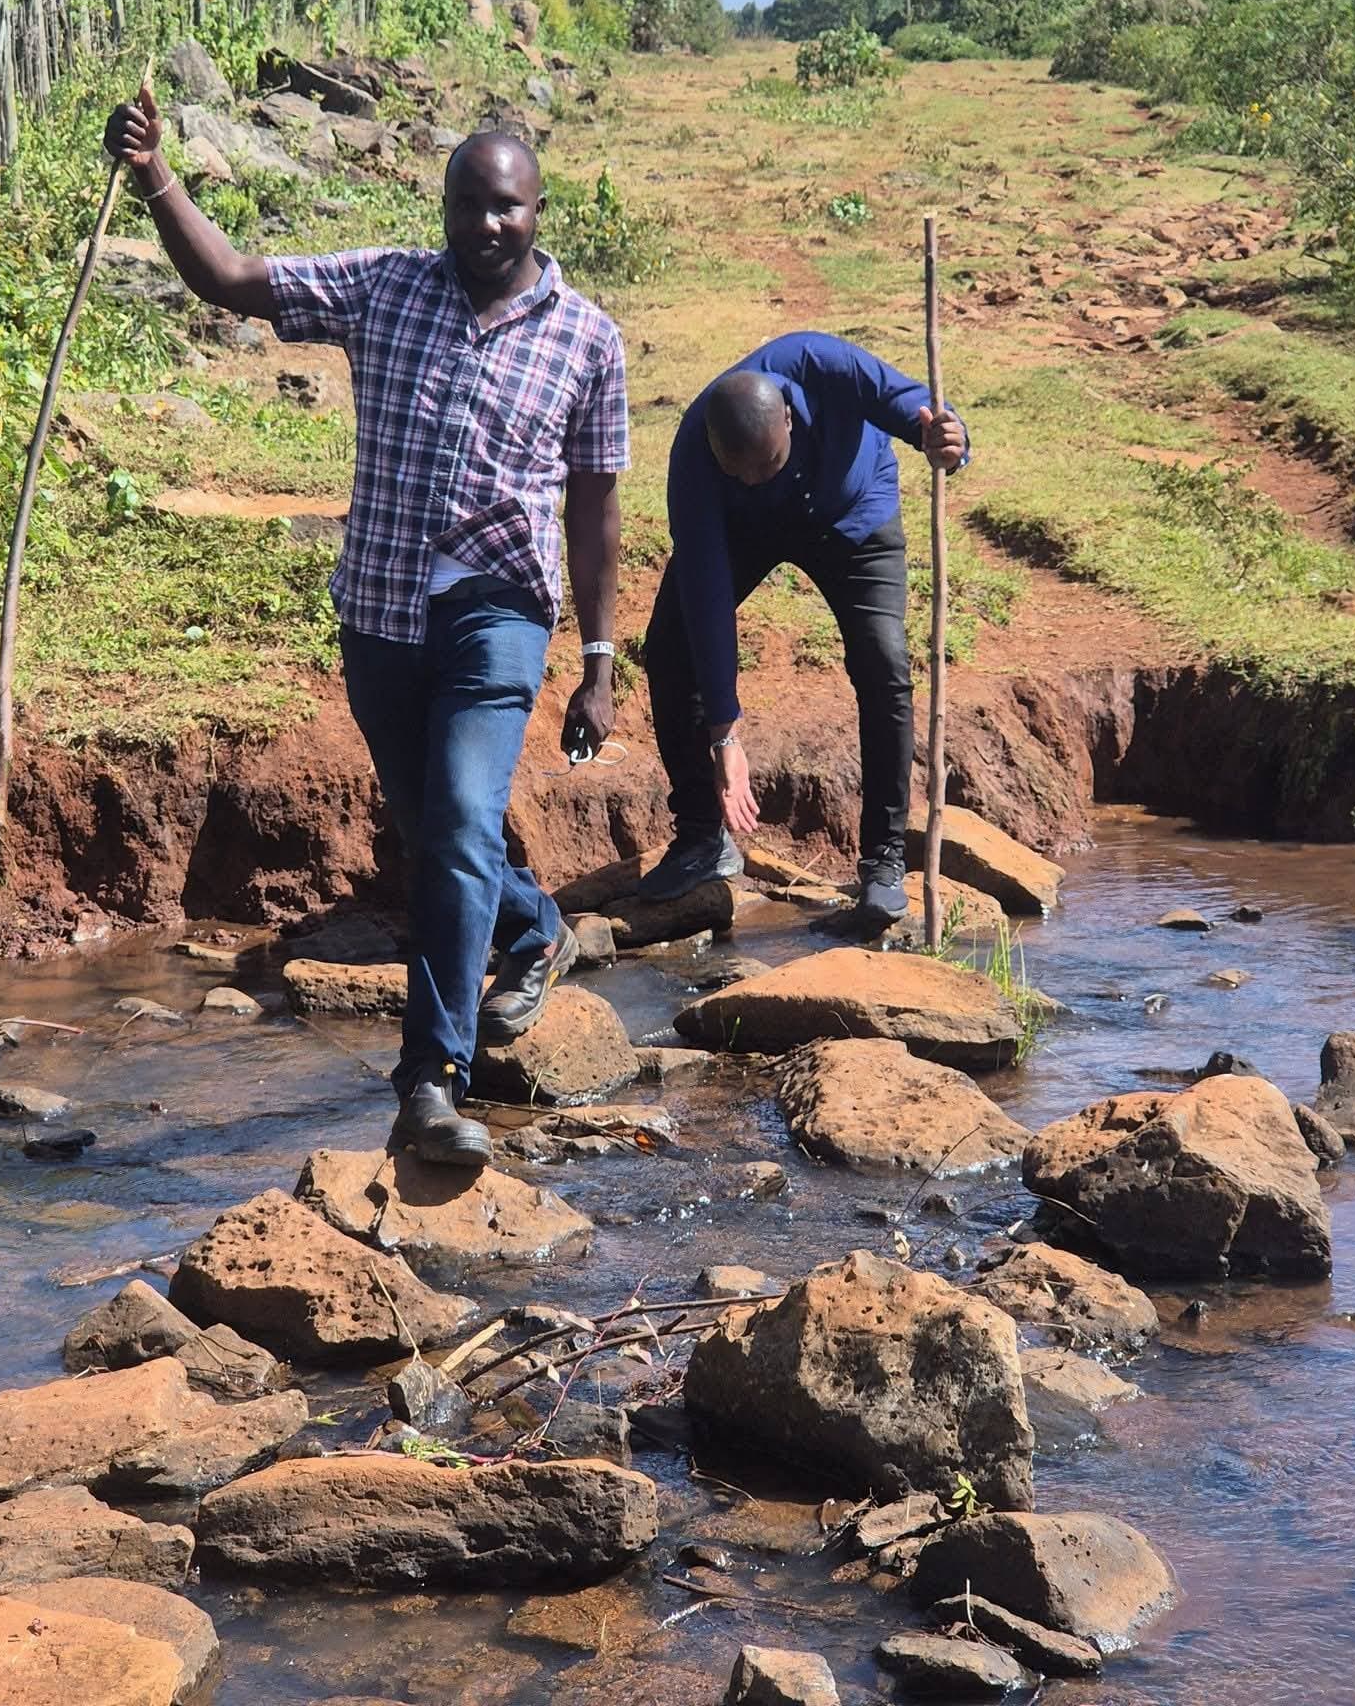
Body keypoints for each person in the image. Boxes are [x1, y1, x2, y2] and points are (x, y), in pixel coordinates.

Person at [103, 86, 628, 1167]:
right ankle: (535, 926)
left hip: (501, 611)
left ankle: (427, 1082)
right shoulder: (388, 286)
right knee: (442, 830)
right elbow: (236, 280)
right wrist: (158, 176)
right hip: (382, 613)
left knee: (461, 818)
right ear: (443, 208)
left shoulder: (587, 339)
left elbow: (596, 504)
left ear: (540, 212)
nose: (490, 225)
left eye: (511, 207)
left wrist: (600, 659)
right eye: (471, 205)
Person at [639, 330, 966, 925]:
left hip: (853, 513)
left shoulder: (822, 362)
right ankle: (701, 839)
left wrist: (948, 438)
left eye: (766, 465)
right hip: (749, 533)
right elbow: (706, 595)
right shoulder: (695, 457)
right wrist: (724, 736)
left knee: (883, 662)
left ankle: (884, 858)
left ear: (788, 417)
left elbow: (912, 408)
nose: (754, 479)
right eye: (737, 473)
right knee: (669, 647)